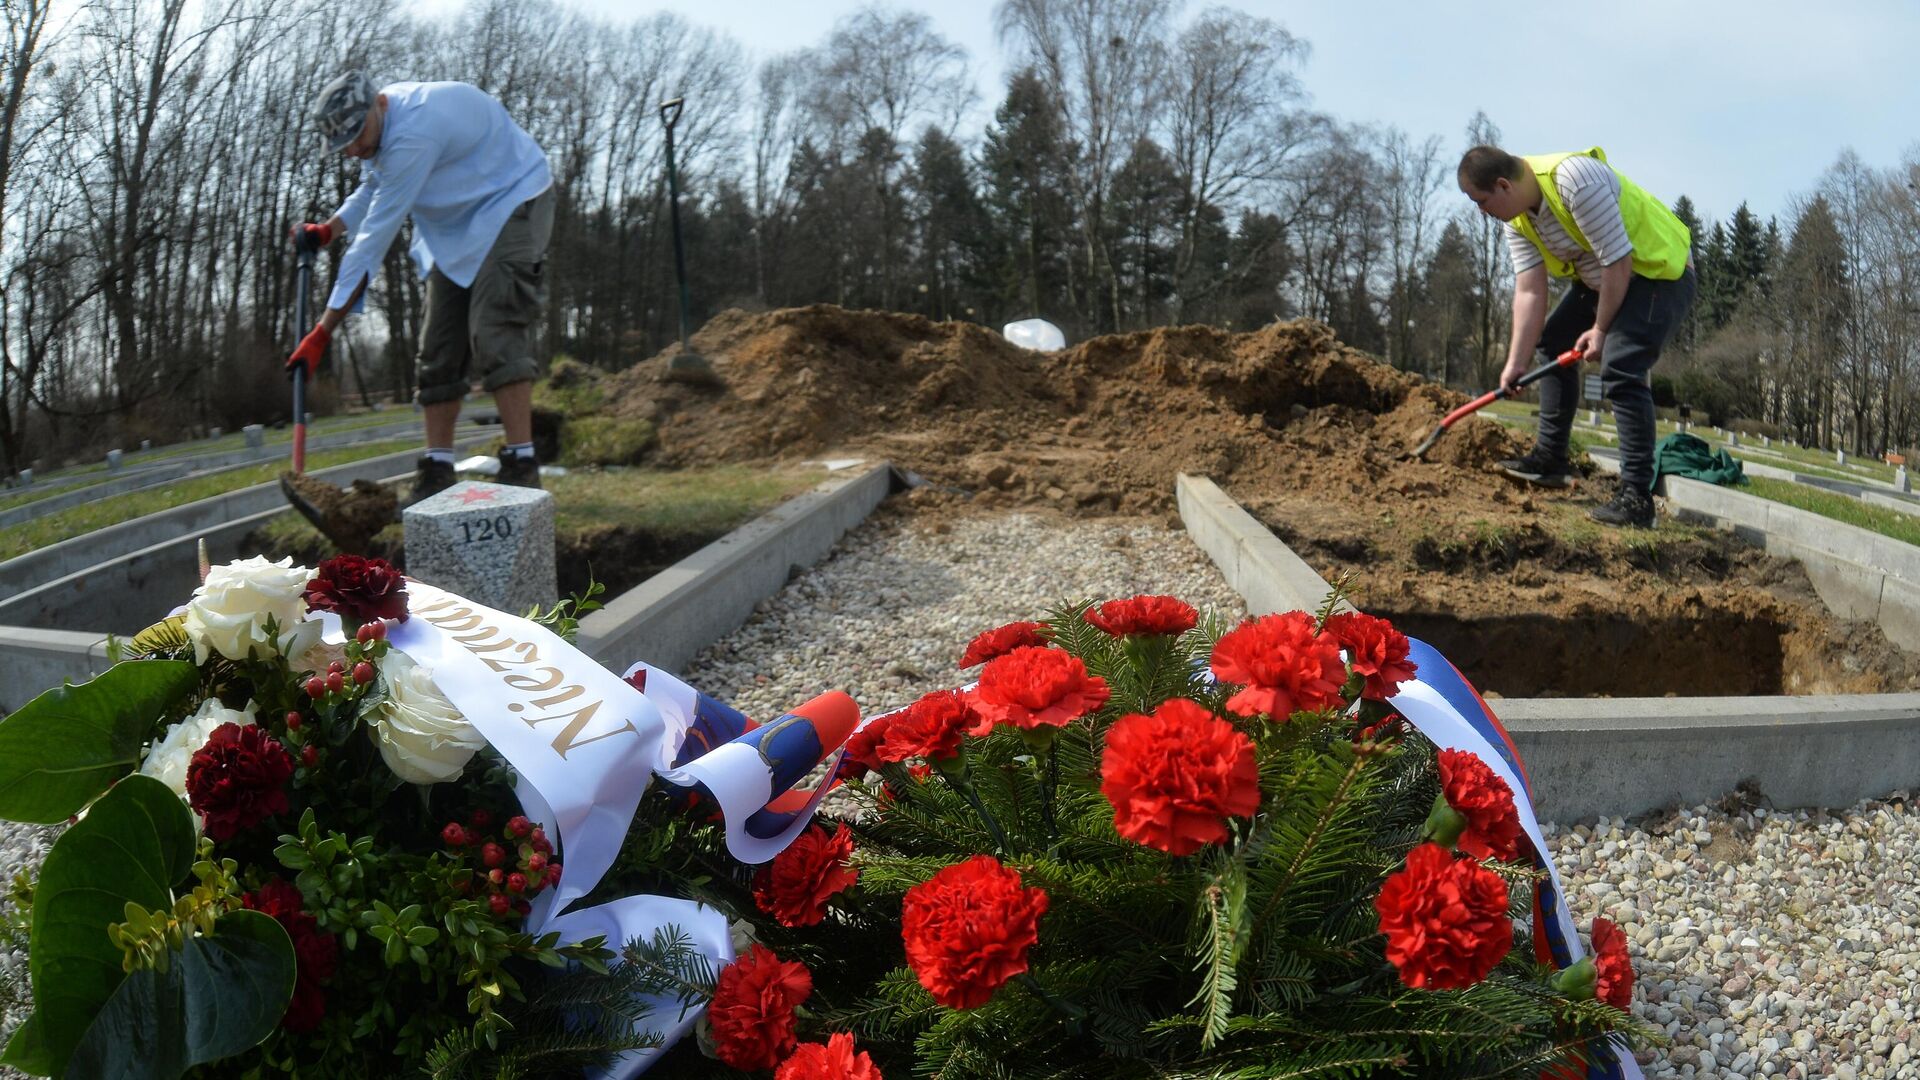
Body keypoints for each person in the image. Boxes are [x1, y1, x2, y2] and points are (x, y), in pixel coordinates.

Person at [286, 71, 554, 502]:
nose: (355, 149)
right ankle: (437, 469)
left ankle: (522, 462)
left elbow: (371, 244)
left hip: (511, 200)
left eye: (357, 136)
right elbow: (371, 186)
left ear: (381, 104)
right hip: (455, 224)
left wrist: (322, 332)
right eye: (346, 145)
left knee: (493, 330)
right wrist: (327, 230)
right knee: (438, 348)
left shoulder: (414, 133)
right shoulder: (381, 131)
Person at [1458, 145, 1695, 528]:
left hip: (1659, 273)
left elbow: (1618, 259)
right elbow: (1530, 291)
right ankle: (1551, 459)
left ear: (1503, 185)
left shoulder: (1573, 181)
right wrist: (1514, 364)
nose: (1480, 212)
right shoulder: (1517, 220)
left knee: (1621, 365)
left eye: (1481, 201)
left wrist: (1601, 331)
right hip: (1606, 279)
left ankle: (1637, 499)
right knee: (1553, 342)